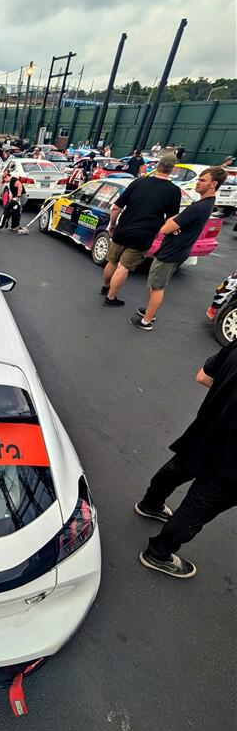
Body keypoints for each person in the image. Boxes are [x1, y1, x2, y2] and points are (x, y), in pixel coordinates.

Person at [135, 343, 237, 579]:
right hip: (231, 463)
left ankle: (150, 504)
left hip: (205, 432)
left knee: (176, 469)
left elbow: (203, 377)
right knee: (199, 506)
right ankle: (158, 554)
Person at [129, 167, 228, 331]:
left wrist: (170, 223)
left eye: (203, 180)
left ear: (213, 184)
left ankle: (147, 320)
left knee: (157, 286)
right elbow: (175, 221)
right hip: (179, 250)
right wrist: (175, 221)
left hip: (171, 252)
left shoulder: (197, 207)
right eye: (199, 179)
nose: (198, 183)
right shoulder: (205, 204)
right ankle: (149, 311)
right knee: (157, 284)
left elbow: (164, 229)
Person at [101, 155, 181, 306]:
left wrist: (112, 225)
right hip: (144, 234)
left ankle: (105, 287)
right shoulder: (173, 191)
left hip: (123, 228)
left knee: (112, 261)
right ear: (173, 169)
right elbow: (171, 218)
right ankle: (110, 298)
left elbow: (116, 207)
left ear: (157, 165)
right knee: (123, 267)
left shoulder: (138, 182)